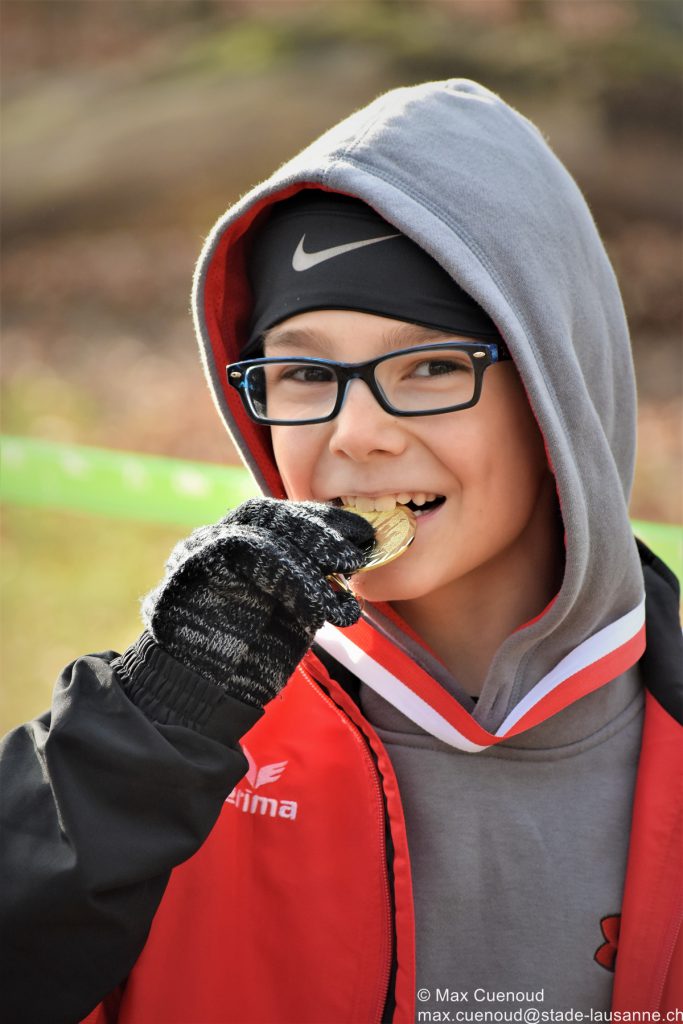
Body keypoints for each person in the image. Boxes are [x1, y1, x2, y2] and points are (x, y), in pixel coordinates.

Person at [1, 79, 681, 1024]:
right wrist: (144, 733)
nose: (354, 434)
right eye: (304, 373)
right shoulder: (176, 744)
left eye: (431, 366)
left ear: (554, 393)